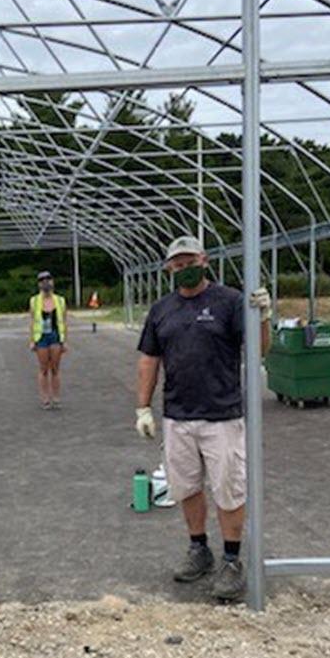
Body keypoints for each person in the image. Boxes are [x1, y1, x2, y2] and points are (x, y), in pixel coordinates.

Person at [134, 236, 272, 602]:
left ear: (204, 260)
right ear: (168, 269)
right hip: (178, 416)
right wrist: (143, 407)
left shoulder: (228, 302)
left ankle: (231, 559)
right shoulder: (162, 310)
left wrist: (263, 318)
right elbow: (149, 358)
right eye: (176, 264)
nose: (183, 268)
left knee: (229, 489)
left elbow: (260, 349)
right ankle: (199, 549)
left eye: (189, 260)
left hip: (221, 415)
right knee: (187, 487)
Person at [28, 271, 67, 409]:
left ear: (53, 282)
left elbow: (64, 320)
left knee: (55, 368)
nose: (46, 282)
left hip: (55, 336)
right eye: (42, 280)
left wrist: (65, 340)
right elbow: (32, 321)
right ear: (39, 284)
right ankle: (45, 398)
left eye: (48, 279)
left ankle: (56, 397)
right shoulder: (34, 301)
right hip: (42, 337)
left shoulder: (60, 300)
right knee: (43, 368)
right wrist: (32, 340)